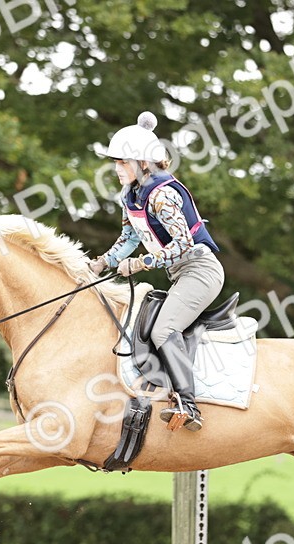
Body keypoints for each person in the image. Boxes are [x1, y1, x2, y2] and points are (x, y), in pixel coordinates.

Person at [89, 111, 224, 432]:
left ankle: (189, 405)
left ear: (142, 163)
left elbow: (182, 243)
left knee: (163, 330)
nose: (117, 168)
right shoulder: (130, 196)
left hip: (200, 270)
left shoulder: (162, 195)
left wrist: (139, 264)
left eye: (122, 162)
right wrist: (97, 264)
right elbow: (128, 240)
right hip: (181, 274)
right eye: (117, 163)